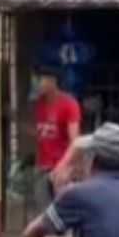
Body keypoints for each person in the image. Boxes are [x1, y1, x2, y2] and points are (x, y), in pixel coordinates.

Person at [32, 62, 82, 198]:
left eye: (41, 80)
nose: (37, 84)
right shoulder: (39, 103)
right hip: (42, 166)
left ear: (53, 81)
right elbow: (40, 133)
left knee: (62, 205)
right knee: (42, 204)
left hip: (62, 166)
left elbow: (75, 141)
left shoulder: (69, 104)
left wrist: (64, 166)